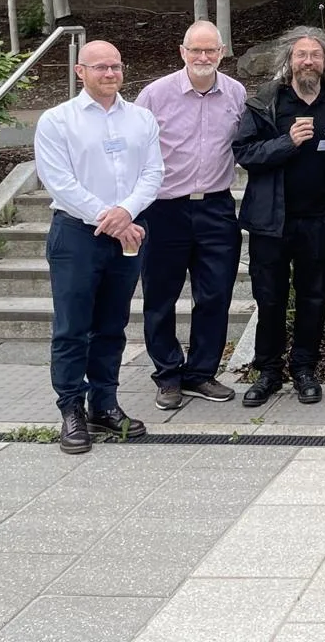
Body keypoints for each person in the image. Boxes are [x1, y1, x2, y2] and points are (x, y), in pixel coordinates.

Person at [34, 41, 163, 454]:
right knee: (72, 328)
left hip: (128, 234)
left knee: (112, 326)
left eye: (116, 67)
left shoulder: (141, 119)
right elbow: (59, 182)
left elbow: (153, 172)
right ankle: (70, 409)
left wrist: (126, 212)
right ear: (80, 71)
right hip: (77, 235)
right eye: (101, 67)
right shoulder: (57, 121)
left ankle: (104, 404)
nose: (110, 74)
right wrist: (109, 218)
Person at [234, 27, 325, 407]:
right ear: (289, 60)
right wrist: (288, 142)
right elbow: (245, 153)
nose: (308, 61)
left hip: (318, 221)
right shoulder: (267, 102)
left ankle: (305, 369)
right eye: (302, 54)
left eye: (316, 55)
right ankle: (267, 371)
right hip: (271, 221)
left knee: (314, 298)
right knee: (270, 299)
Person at [135, 20, 247, 410]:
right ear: (182, 52)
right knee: (160, 297)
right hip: (163, 209)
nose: (203, 57)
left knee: (215, 294)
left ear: (221, 52)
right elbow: (135, 151)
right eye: (195, 50)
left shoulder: (236, 93)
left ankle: (201, 373)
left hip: (217, 206)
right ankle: (167, 375)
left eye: (210, 50)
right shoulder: (155, 95)